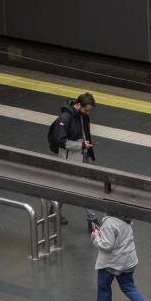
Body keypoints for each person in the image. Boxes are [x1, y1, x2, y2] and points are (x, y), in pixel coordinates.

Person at [90, 215, 151, 301]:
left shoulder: (109, 222)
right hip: (128, 259)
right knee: (129, 287)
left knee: (103, 287)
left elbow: (107, 246)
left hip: (112, 262)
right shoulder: (127, 218)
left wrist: (96, 236)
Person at [48, 93, 97, 227]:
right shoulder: (65, 118)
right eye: (86, 110)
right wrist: (82, 145)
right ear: (78, 105)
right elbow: (60, 141)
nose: (88, 113)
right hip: (71, 157)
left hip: (82, 155)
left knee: (67, 186)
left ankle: (53, 212)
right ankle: (92, 220)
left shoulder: (83, 116)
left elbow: (86, 135)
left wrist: (90, 153)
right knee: (83, 188)